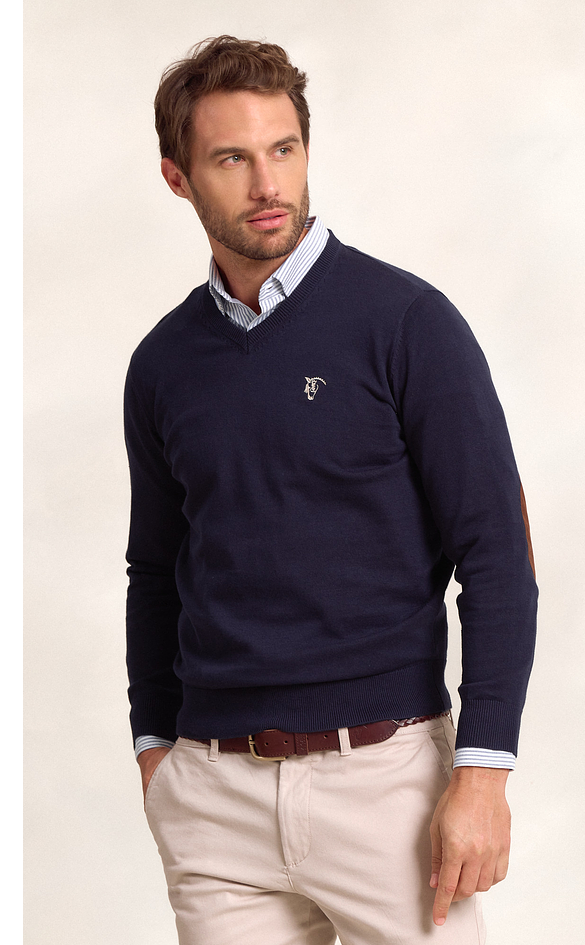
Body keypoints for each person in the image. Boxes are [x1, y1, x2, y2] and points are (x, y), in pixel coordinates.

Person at [125, 35, 538, 945]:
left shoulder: (407, 324)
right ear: (178, 177)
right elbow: (155, 569)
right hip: (215, 797)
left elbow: (498, 555)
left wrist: (483, 771)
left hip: (387, 784)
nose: (267, 183)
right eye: (231, 158)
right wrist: (156, 747)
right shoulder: (162, 365)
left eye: (284, 149)